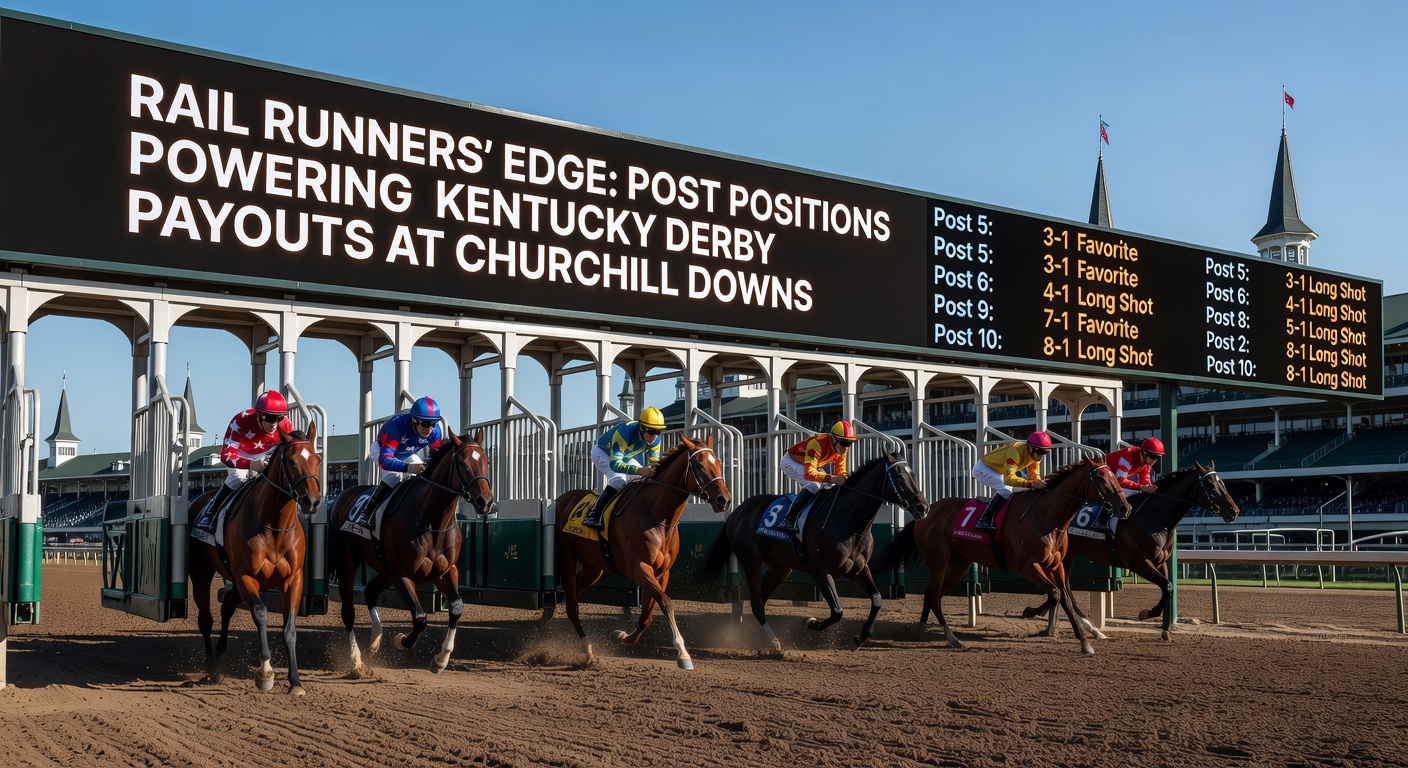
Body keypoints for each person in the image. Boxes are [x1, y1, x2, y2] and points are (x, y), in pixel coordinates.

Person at [192, 390, 293, 536]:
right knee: (237, 478)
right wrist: (251, 464)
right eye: (269, 418)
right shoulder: (240, 420)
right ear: (258, 414)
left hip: (268, 453)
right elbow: (226, 455)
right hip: (241, 455)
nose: (274, 423)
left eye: (279, 418)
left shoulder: (285, 425)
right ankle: (211, 514)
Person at [346, 396, 446, 528]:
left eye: (433, 423)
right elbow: (385, 460)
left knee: (425, 473)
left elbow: (436, 459)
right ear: (414, 420)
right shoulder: (396, 425)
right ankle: (367, 512)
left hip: (407, 453)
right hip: (382, 451)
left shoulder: (435, 431)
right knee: (395, 475)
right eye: (426, 424)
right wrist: (409, 468)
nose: (429, 429)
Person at [582, 406, 666, 530]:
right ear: (641, 427)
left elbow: (654, 463)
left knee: (642, 479)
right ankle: (594, 515)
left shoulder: (655, 440)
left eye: (658, 432)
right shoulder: (624, 433)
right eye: (651, 431)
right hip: (603, 453)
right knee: (618, 480)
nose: (654, 436)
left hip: (625, 455)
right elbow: (615, 465)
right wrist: (640, 470)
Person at [776, 420, 856, 534]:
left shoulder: (842, 448)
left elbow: (840, 470)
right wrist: (833, 478)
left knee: (828, 485)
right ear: (834, 439)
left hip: (809, 464)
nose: (846, 448)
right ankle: (789, 519)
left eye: (849, 443)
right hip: (791, 462)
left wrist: (843, 477)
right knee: (815, 485)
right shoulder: (816, 444)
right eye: (844, 443)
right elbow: (809, 474)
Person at [971, 431, 1051, 532]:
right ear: (1030, 448)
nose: (1041, 456)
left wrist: (1038, 483)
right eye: (1040, 452)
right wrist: (1030, 484)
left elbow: (1034, 476)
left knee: (1024, 486)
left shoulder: (1034, 455)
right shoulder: (1015, 453)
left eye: (1045, 453)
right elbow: (1009, 479)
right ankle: (984, 520)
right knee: (1005, 489)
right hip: (983, 469)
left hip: (998, 470)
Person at [1100, 436, 1164, 528]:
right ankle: (1103, 518)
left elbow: (1145, 484)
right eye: (1153, 456)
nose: (1154, 460)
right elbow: (1120, 481)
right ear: (1144, 452)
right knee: (1134, 491)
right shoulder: (1128, 456)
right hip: (1099, 477)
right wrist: (1142, 487)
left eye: (1157, 457)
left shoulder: (1146, 464)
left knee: (1139, 492)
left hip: (1111, 479)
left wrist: (1150, 489)